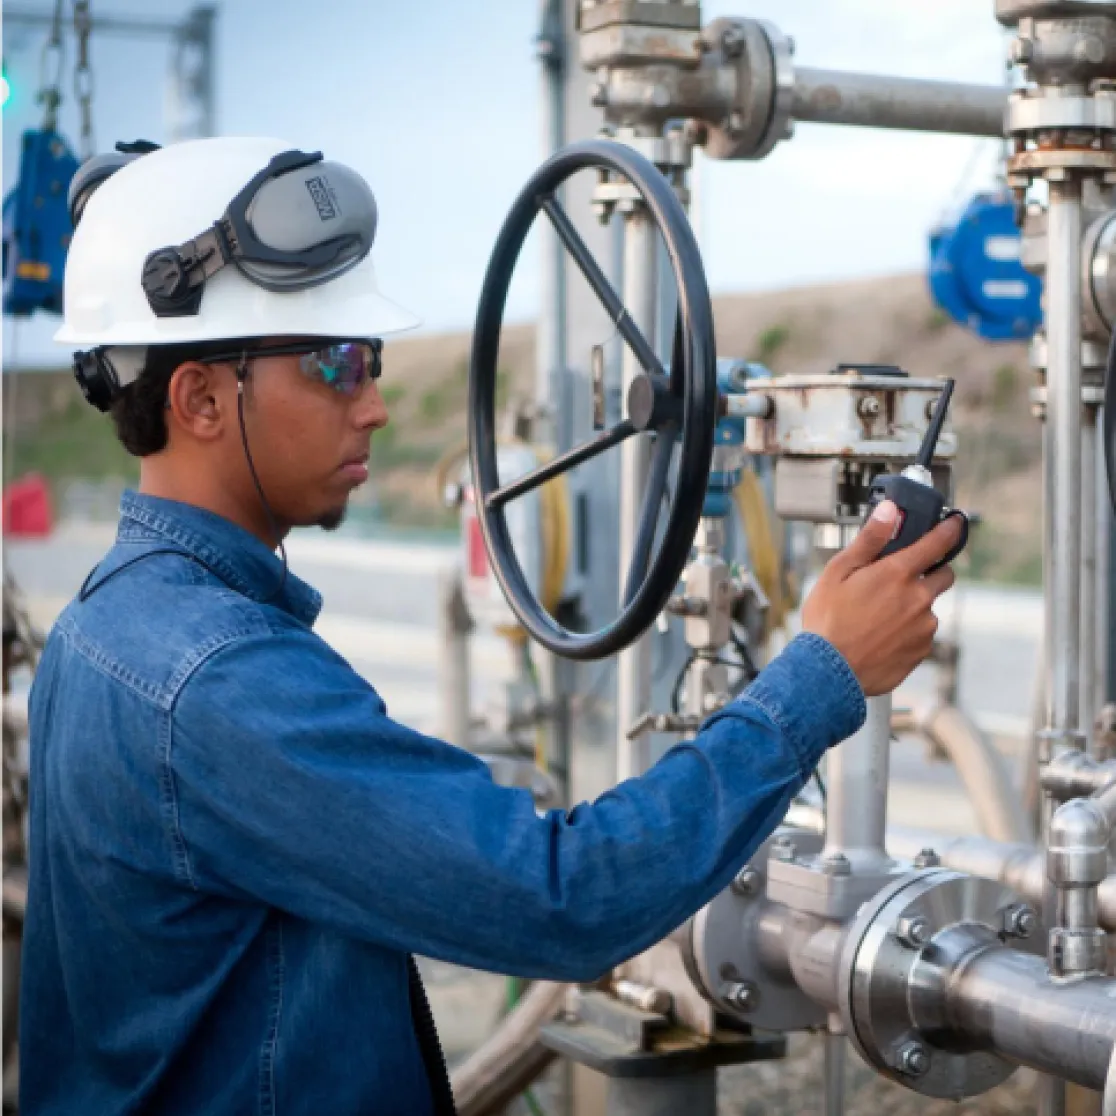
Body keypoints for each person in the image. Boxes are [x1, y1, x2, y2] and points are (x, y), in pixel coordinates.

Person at [21, 136, 962, 1116]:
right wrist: (820, 676)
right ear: (201, 399)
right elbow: (566, 897)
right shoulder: (218, 682)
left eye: (373, 361)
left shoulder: (103, 619)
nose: (377, 406)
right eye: (337, 363)